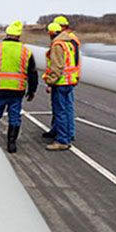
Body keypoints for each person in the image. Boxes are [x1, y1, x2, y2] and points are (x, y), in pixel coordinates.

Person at [0, 20, 38, 153]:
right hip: (17, 91)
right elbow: (32, 73)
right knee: (14, 116)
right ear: (18, 36)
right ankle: (11, 143)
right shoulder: (25, 51)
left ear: (6, 34)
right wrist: (32, 91)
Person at [42, 21, 80, 151]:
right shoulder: (68, 43)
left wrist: (50, 81)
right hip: (69, 81)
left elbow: (57, 66)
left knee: (60, 112)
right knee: (66, 109)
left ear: (52, 33)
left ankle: (62, 140)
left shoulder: (58, 45)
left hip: (61, 82)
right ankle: (67, 134)